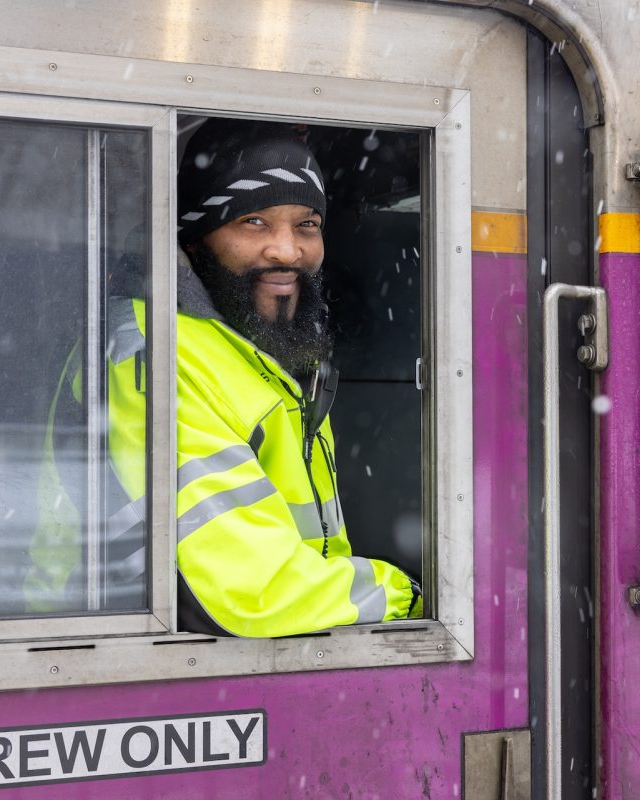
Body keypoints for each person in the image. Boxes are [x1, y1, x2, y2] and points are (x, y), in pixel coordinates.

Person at [27, 119, 421, 635]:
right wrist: (410, 597)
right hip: (117, 669)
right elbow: (254, 592)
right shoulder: (153, 356)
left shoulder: (262, 351)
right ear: (194, 241)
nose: (287, 250)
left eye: (307, 225)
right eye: (254, 222)